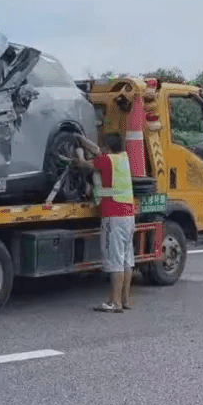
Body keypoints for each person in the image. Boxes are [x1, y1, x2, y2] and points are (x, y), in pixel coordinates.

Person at [73, 132, 136, 312]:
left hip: (113, 215)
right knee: (126, 260)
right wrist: (84, 140)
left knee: (115, 260)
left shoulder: (105, 161)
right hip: (128, 215)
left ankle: (114, 303)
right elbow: (99, 151)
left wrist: (79, 152)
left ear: (108, 148)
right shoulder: (123, 158)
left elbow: (84, 165)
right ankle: (124, 300)